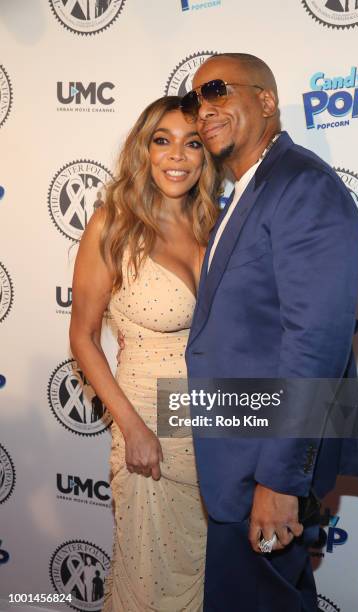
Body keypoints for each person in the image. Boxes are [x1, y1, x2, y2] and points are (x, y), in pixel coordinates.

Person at [179, 53, 358, 611]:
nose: (203, 110)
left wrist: (281, 481)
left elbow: (315, 344)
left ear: (266, 101)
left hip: (263, 463)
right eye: (195, 100)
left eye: (217, 91)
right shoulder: (248, 189)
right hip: (238, 453)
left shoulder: (301, 186)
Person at [69, 95, 220, 611]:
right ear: (144, 149)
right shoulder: (114, 224)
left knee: (203, 583)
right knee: (148, 587)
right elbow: (83, 338)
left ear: (206, 155)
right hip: (149, 433)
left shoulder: (215, 224)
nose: (177, 156)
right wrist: (131, 428)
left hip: (212, 434)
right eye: (163, 140)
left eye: (192, 143)